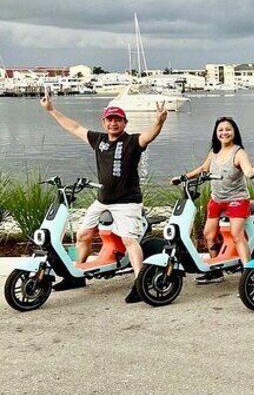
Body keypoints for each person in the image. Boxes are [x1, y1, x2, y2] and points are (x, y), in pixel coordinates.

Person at [40, 94, 167, 303]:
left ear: (125, 123)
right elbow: (74, 127)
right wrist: (51, 110)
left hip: (127, 202)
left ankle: (139, 283)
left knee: (129, 240)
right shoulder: (98, 140)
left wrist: (159, 122)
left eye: (118, 120)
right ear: (104, 122)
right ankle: (76, 276)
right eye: (110, 119)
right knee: (83, 235)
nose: (113, 123)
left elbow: (148, 136)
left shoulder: (132, 141)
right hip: (102, 201)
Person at [173, 117, 254, 284]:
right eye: (220, 130)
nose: (224, 133)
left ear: (234, 132)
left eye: (228, 129)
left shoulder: (239, 153)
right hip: (217, 199)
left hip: (237, 199)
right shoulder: (214, 152)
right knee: (209, 234)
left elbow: (249, 173)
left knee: (237, 235)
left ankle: (250, 274)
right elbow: (203, 168)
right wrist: (183, 177)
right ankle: (216, 272)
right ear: (216, 133)